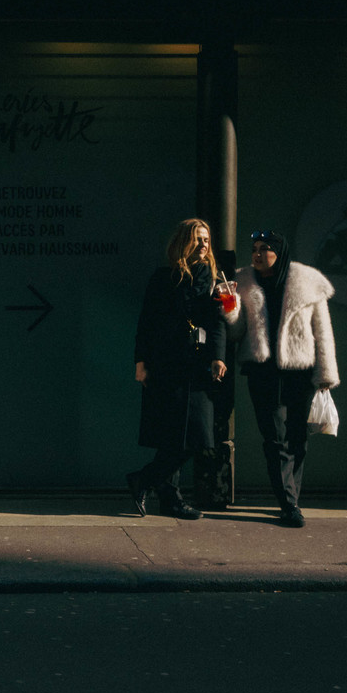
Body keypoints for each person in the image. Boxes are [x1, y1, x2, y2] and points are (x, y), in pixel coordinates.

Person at [222, 229, 339, 528]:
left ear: (279, 251)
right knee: (274, 439)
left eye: (264, 249)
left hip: (299, 372)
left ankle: (292, 499)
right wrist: (231, 309)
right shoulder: (243, 281)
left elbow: (322, 331)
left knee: (298, 437)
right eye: (254, 249)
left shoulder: (306, 282)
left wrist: (325, 373)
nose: (257, 254)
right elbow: (236, 334)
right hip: (262, 371)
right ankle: (288, 503)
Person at [126, 218, 231, 521]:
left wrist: (218, 357)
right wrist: (141, 363)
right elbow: (145, 323)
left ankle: (143, 479)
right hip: (166, 364)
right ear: (183, 242)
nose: (203, 244)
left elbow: (219, 323)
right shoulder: (163, 278)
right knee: (173, 435)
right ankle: (171, 500)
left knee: (196, 436)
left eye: (206, 239)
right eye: (197, 239)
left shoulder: (215, 279)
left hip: (198, 367)